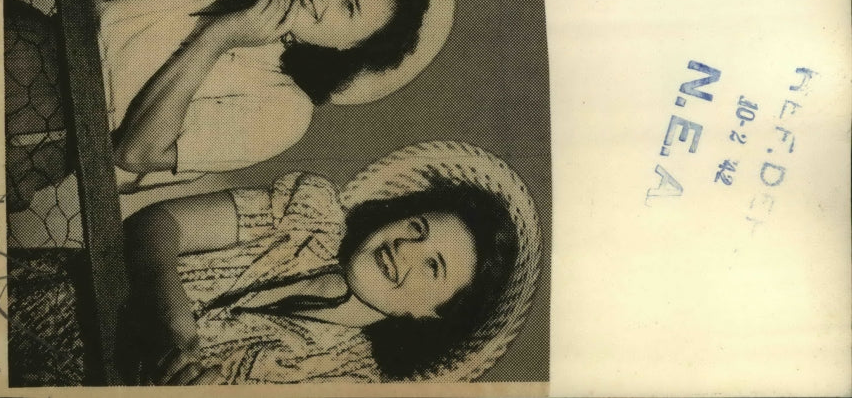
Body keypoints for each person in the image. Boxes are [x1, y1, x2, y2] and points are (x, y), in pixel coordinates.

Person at [4, 0, 454, 204]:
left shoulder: (286, 112)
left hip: (47, 130)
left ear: (354, 50)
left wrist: (217, 37)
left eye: (349, 7)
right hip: (28, 38)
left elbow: (134, 153)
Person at [116, 140, 542, 385]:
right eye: (415, 227)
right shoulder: (310, 214)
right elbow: (155, 224)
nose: (405, 249)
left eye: (434, 267)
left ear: (435, 317)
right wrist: (175, 325)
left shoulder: (348, 380)